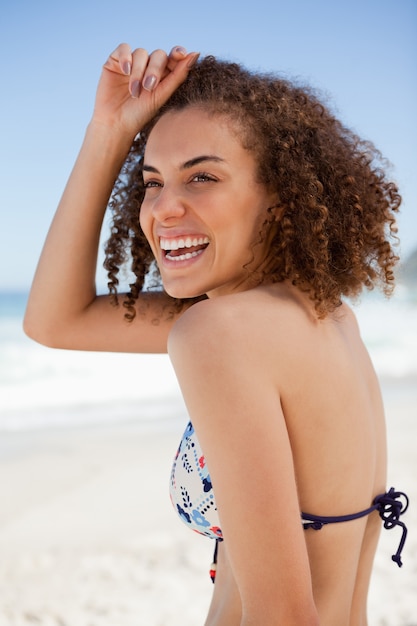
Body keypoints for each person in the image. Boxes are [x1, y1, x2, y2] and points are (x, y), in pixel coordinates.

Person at [24, 43, 409, 625]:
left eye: (201, 177)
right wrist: (108, 130)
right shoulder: (324, 318)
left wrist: (106, 135)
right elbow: (55, 321)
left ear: (281, 198)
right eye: (151, 182)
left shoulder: (220, 332)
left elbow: (283, 617)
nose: (163, 209)